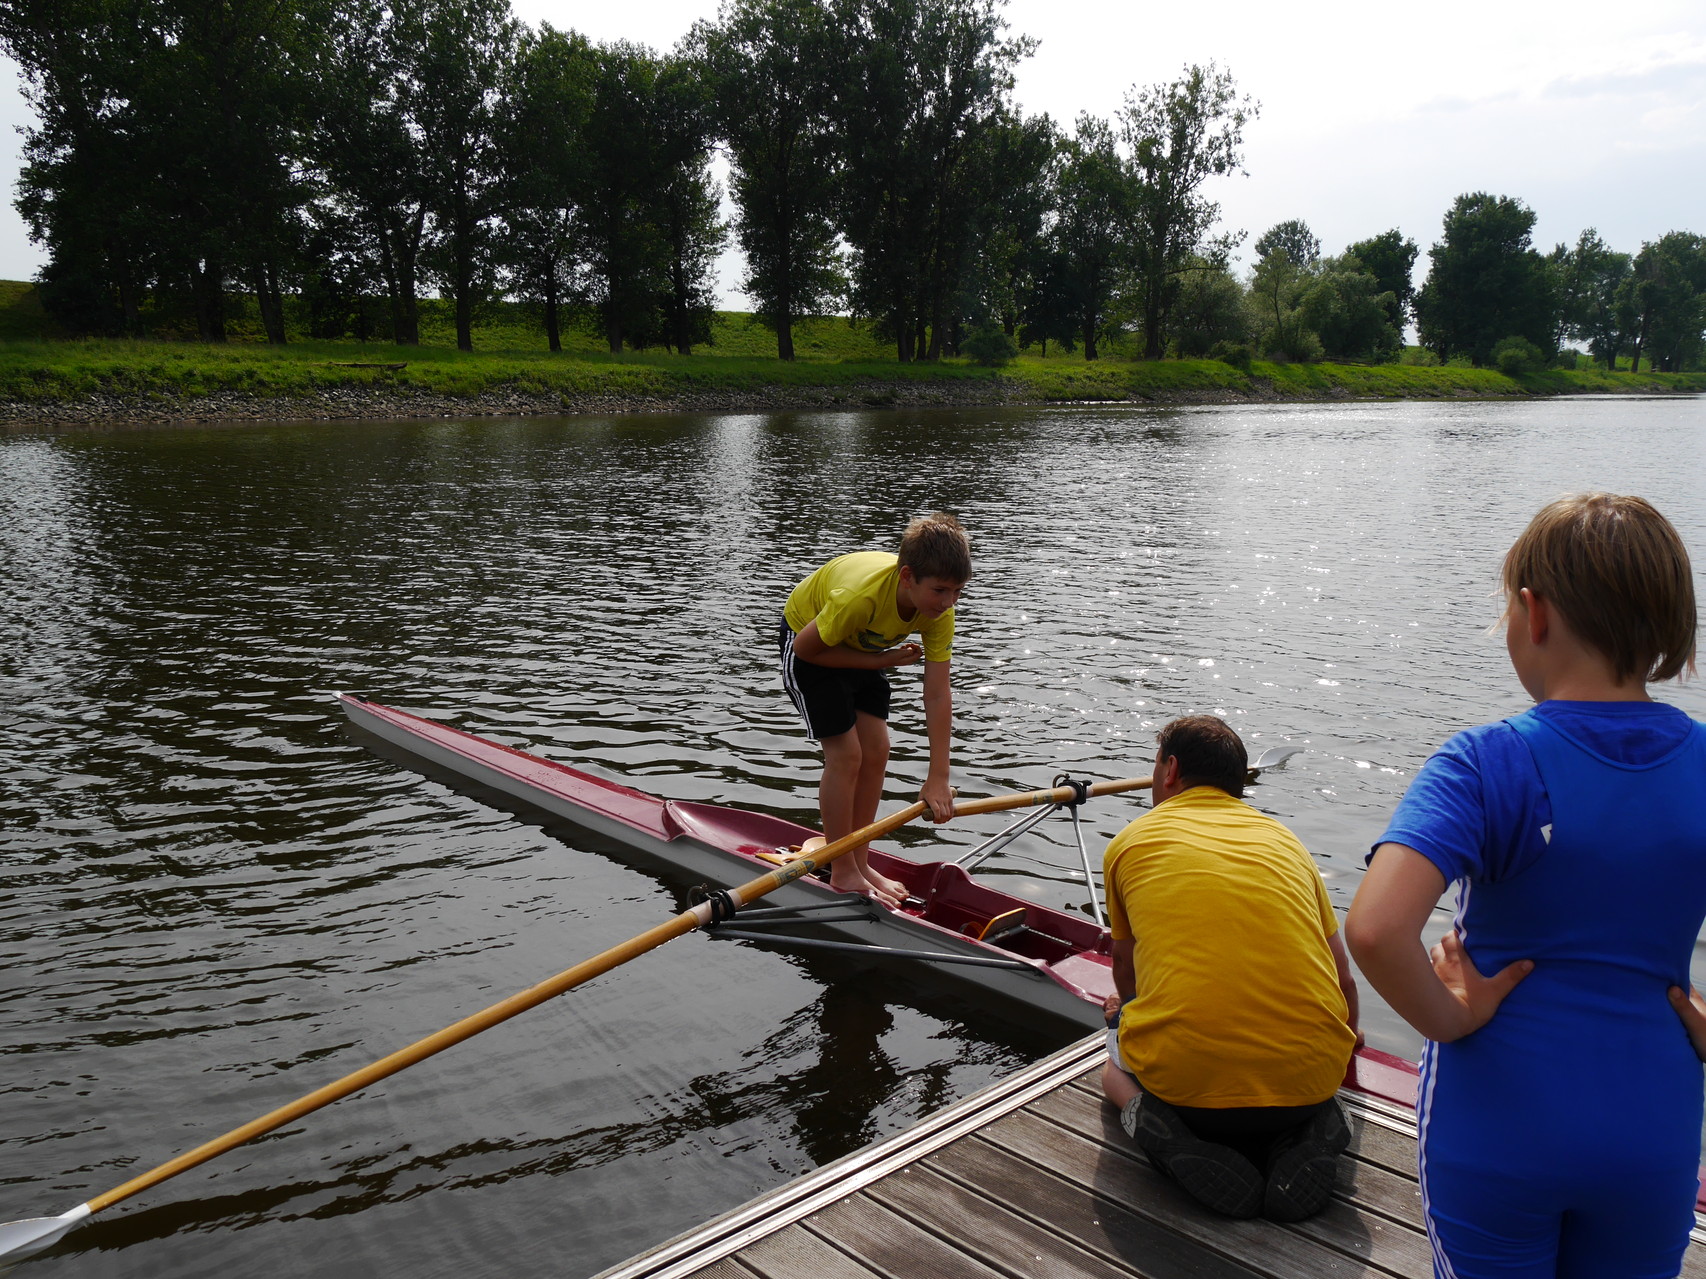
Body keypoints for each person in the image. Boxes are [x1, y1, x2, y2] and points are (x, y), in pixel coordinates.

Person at [1345, 492, 1706, 1279]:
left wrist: (1449, 1013)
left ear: (1534, 613)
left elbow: (1375, 929)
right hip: (1654, 1123)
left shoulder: (1487, 760)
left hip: (1501, 1121)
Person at [1101, 714, 1361, 1221]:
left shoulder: (1131, 841)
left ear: (1170, 769)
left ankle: (1162, 1134)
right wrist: (1349, 1036)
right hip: (1309, 1084)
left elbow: (1124, 967)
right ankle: (1321, 1131)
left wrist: (1123, 1012)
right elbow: (1342, 975)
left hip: (1190, 1096)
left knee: (1112, 1061)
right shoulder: (1289, 845)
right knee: (1302, 1082)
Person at [779, 512, 969, 905]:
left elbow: (936, 693)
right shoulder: (859, 597)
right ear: (907, 578)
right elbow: (806, 651)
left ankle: (860, 862)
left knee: (878, 750)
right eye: (940, 590)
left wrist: (938, 777)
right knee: (847, 756)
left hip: (865, 647)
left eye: (958, 591)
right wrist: (881, 662)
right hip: (810, 643)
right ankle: (842, 869)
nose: (949, 602)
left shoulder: (939, 612)